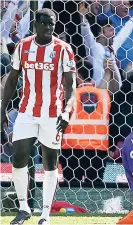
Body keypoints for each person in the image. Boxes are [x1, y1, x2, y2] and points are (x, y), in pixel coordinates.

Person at [0, 8, 76, 225]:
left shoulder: (63, 49)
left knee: (50, 164)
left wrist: (67, 110)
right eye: (45, 24)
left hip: (53, 115)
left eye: (52, 24)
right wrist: (2, 108)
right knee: (18, 157)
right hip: (26, 111)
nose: (50, 28)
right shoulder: (23, 46)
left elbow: (71, 86)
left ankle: (45, 215)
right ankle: (24, 209)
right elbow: (12, 80)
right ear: (36, 25)